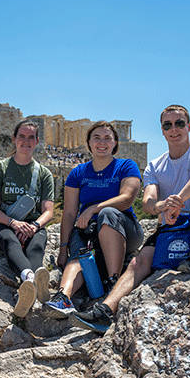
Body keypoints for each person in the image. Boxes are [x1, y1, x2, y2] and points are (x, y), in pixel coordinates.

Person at [70, 104, 190, 333]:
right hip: (173, 226)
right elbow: (148, 203)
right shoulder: (155, 166)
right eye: (168, 125)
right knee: (138, 263)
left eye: (179, 123)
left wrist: (179, 199)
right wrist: (162, 206)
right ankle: (105, 311)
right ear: (162, 131)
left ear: (189, 126)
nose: (174, 129)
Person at [43, 121, 143, 319]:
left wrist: (93, 209)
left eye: (107, 138)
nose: (102, 142)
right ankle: (64, 297)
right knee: (78, 255)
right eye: (96, 138)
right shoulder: (78, 173)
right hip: (89, 231)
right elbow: (70, 213)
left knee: (107, 214)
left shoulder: (126, 166)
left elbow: (127, 198)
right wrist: (63, 248)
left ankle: (112, 285)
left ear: (115, 142)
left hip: (123, 229)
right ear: (88, 143)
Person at [0, 119, 54, 318]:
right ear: (15, 139)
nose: (26, 141)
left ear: (37, 141)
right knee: (9, 239)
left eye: (31, 137)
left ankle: (30, 284)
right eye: (22, 136)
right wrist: (14, 223)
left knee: (37, 243)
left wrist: (34, 226)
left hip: (32, 225)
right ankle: (30, 278)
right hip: (3, 224)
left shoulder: (44, 174)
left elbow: (48, 211)